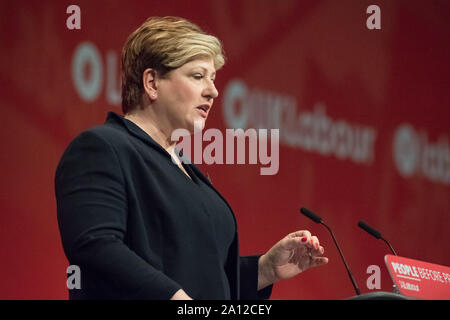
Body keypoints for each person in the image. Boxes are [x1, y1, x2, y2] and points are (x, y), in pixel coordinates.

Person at [55, 16, 328, 300]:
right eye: (198, 76)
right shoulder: (104, 148)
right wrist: (174, 298)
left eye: (212, 78)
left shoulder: (186, 168)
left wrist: (265, 269)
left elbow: (203, 276)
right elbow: (95, 246)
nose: (213, 90)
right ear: (152, 83)